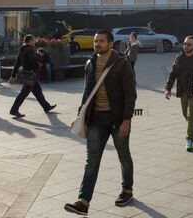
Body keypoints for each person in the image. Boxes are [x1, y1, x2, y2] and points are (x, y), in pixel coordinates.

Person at [64, 30, 137, 215]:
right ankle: (83, 201)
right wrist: (81, 115)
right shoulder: (90, 63)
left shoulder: (122, 64)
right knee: (92, 161)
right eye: (96, 41)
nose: (97, 44)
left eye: (102, 41)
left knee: (123, 156)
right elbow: (87, 92)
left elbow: (130, 94)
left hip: (117, 119)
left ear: (111, 44)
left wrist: (127, 120)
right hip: (96, 119)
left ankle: (127, 190)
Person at [164, 35, 193, 152]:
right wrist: (168, 88)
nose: (186, 46)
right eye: (184, 44)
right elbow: (173, 73)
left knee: (191, 116)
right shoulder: (180, 57)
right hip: (183, 90)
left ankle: (189, 139)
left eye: (189, 44)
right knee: (185, 114)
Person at [8, 35, 56, 118]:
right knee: (23, 94)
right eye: (34, 40)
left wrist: (12, 75)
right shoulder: (29, 49)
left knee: (38, 92)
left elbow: (17, 63)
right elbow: (33, 60)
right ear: (30, 41)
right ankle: (14, 110)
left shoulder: (22, 50)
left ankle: (46, 107)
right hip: (30, 76)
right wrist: (39, 54)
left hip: (31, 76)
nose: (35, 42)